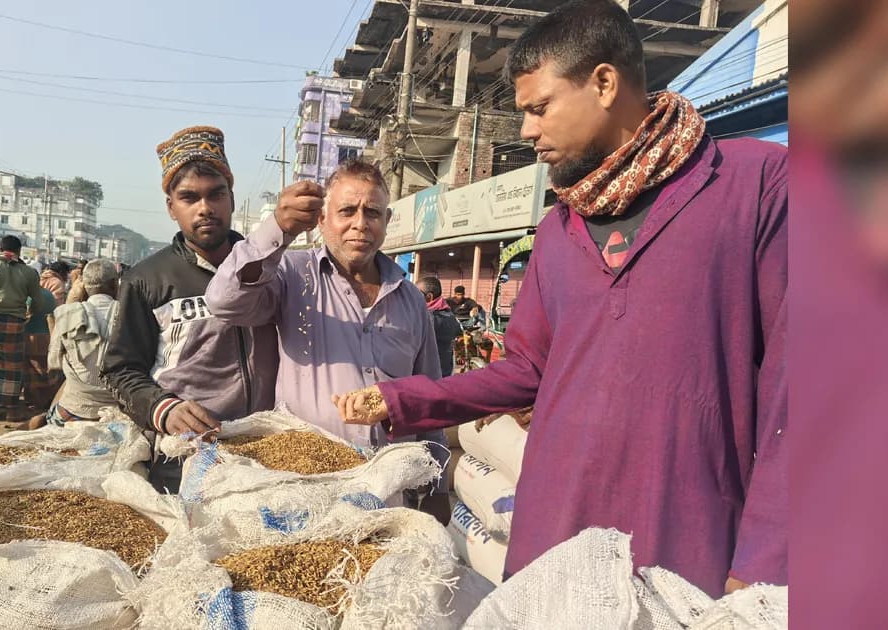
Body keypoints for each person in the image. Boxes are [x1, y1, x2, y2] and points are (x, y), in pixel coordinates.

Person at [334, 0, 787, 597]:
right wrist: (404, 398)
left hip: (685, 543)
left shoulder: (759, 186)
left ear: (603, 83)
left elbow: (799, 390)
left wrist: (761, 561)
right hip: (554, 534)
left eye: (538, 108)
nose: (525, 130)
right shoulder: (559, 227)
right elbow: (528, 369)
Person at [205, 160, 451, 523]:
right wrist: (278, 229)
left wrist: (437, 487)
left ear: (386, 220)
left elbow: (428, 399)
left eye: (372, 213)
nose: (360, 224)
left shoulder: (410, 298)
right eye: (347, 211)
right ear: (322, 219)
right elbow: (223, 300)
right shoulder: (293, 274)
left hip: (386, 493)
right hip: (304, 487)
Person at [101, 126, 278, 494]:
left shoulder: (267, 269)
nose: (205, 208)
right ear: (171, 207)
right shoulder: (146, 280)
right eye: (189, 197)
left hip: (261, 452)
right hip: (182, 457)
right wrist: (162, 408)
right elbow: (119, 369)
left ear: (231, 198)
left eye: (216, 194)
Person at [0, 235, 46, 420]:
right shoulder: (29, 272)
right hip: (16, 322)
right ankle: (8, 406)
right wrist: (28, 315)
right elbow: (37, 303)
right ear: (19, 251)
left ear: (0, 248)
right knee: (12, 365)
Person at [47, 258, 121, 423]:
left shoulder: (66, 313)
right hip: (118, 412)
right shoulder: (131, 314)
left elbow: (54, 363)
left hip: (73, 411)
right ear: (115, 284)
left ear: (85, 286)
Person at [22, 284, 60, 411]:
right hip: (48, 336)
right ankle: (47, 399)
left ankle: (35, 401)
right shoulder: (48, 294)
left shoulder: (28, 296)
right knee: (44, 369)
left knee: (33, 371)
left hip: (32, 338)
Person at [418, 276, 462, 378]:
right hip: (445, 371)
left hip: (425, 376)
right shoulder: (449, 314)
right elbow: (458, 332)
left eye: (416, 293)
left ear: (429, 297)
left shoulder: (427, 317)